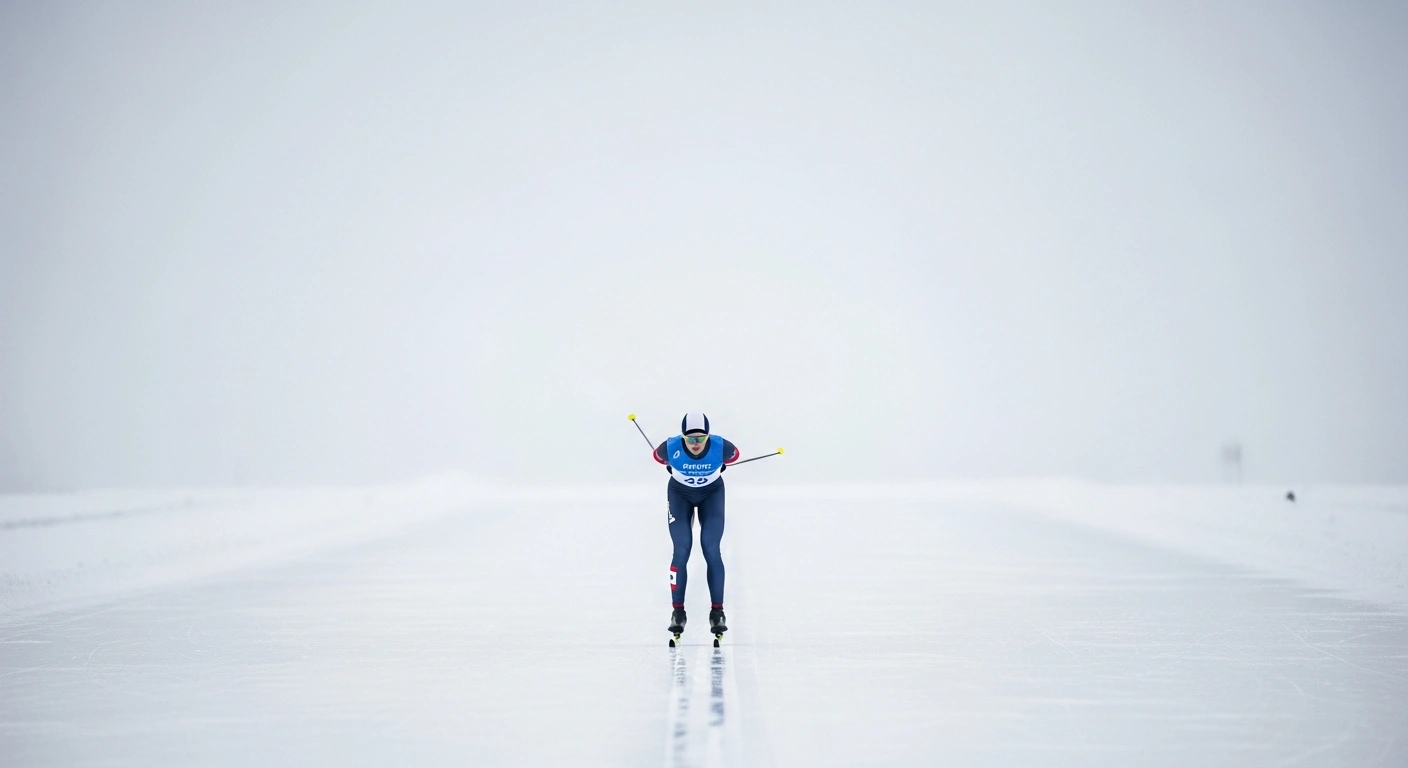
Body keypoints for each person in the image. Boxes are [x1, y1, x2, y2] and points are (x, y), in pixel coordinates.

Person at [654, 412, 739, 638]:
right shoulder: (669, 448)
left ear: (708, 436)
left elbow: (735, 455)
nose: (695, 444)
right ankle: (678, 612)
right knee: (681, 550)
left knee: (711, 548)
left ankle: (717, 612)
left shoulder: (722, 447)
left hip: (711, 494)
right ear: (682, 437)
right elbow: (657, 456)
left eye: (700, 439)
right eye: (690, 439)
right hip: (679, 495)